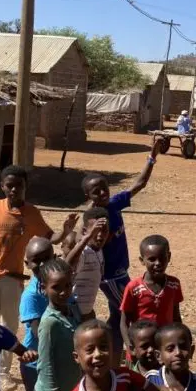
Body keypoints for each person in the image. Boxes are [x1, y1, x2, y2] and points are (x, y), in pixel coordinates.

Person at [0, 165, 77, 391]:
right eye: (9, 186)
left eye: (19, 186)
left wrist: (66, 230)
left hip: (12, 277)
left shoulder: (32, 213)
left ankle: (3, 373)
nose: (14, 190)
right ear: (2, 186)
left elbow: (53, 238)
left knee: (8, 327)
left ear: (25, 187)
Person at [75, 139, 162, 362]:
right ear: (88, 196)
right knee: (131, 312)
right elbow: (80, 243)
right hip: (110, 276)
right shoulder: (92, 219)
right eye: (96, 191)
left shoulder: (114, 204)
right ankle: (135, 356)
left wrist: (152, 156)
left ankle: (114, 355)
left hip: (121, 271)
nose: (102, 192)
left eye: (104, 187)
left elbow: (139, 183)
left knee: (117, 314)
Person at [34, 259, 82, 391]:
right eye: (56, 287)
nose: (64, 292)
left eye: (68, 285)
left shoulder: (70, 310)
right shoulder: (49, 323)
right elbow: (45, 364)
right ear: (44, 288)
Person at [19, 237, 56, 391]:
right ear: (27, 264)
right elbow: (39, 333)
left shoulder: (58, 285)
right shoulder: (31, 295)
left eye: (46, 258)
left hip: (57, 360)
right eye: (36, 261)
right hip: (36, 364)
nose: (42, 265)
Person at [119, 235, 183, 359]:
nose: (157, 263)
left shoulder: (174, 284)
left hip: (165, 345)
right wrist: (130, 346)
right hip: (141, 347)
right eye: (152, 259)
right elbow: (124, 322)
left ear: (169, 257)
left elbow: (176, 316)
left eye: (162, 258)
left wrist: (180, 339)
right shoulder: (134, 288)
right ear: (142, 260)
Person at [64, 208, 109, 321]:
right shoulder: (84, 252)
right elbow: (67, 267)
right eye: (95, 231)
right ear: (86, 232)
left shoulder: (98, 249)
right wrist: (88, 236)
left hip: (84, 314)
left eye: (104, 230)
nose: (99, 235)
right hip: (72, 314)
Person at [127, 320, 160, 391]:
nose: (151, 350)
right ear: (132, 350)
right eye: (145, 346)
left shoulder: (167, 377)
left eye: (155, 345)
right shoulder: (128, 381)